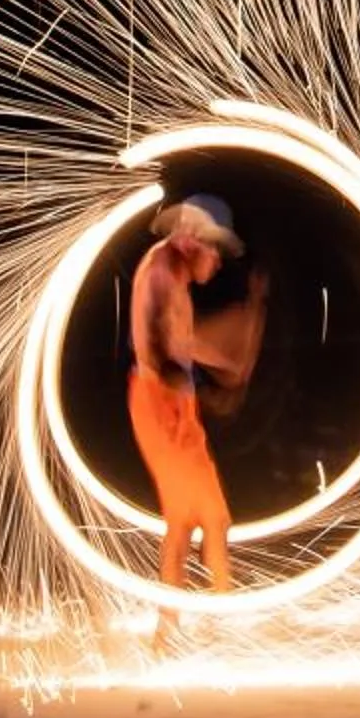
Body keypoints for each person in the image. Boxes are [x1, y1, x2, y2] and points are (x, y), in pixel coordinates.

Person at [128, 193, 265, 612]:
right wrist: (227, 360)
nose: (219, 261)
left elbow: (176, 344)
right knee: (207, 519)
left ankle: (170, 632)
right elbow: (172, 343)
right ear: (191, 241)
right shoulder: (162, 271)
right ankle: (213, 618)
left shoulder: (168, 272)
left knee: (188, 523)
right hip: (160, 408)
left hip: (170, 407)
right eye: (215, 249)